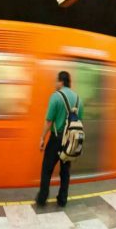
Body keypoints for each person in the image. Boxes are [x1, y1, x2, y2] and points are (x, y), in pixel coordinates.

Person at [36, 71, 83, 207]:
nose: (55, 84)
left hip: (57, 138)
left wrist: (42, 138)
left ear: (61, 81)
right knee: (65, 170)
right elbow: (79, 121)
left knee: (47, 169)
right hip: (70, 140)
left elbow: (49, 121)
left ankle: (42, 198)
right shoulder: (78, 99)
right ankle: (62, 199)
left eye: (56, 81)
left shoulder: (56, 96)